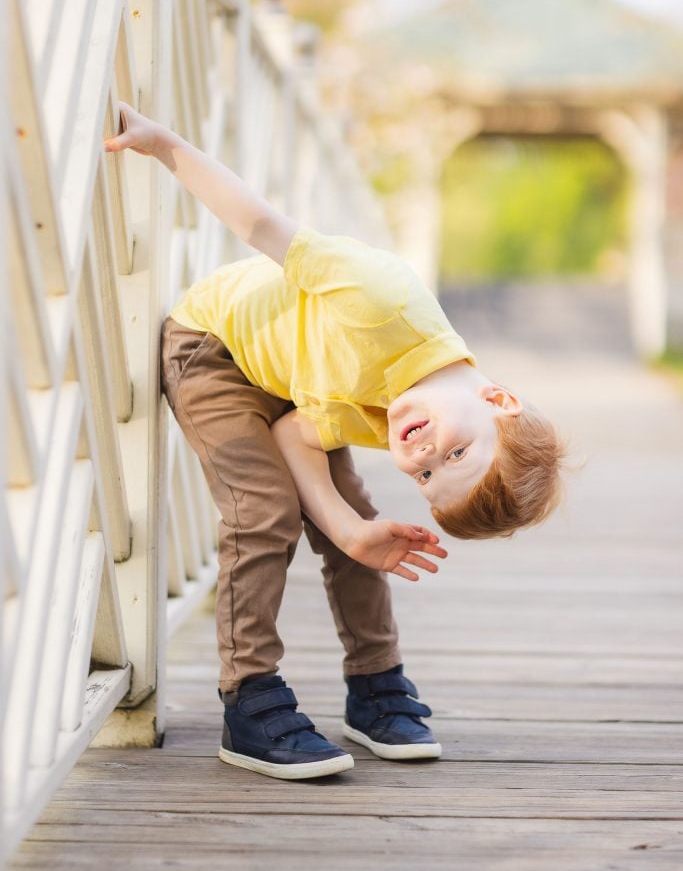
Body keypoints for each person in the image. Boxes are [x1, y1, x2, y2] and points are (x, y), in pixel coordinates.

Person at [104, 102, 565, 781]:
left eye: (427, 478)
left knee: (362, 527)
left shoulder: (405, 413)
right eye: (455, 453)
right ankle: (249, 697)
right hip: (214, 351)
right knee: (263, 510)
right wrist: (165, 145)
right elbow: (260, 224)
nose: (420, 456)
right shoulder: (379, 300)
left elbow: (298, 430)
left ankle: (373, 686)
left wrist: (350, 531)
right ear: (495, 399)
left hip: (291, 385)